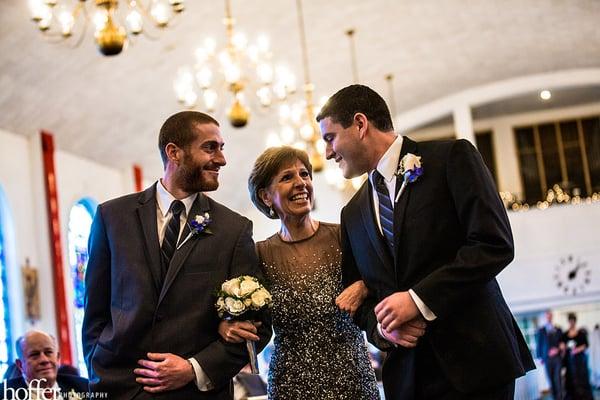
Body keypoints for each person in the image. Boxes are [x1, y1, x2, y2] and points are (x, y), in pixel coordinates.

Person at [316, 84, 536, 399]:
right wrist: (383, 330)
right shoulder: (352, 213)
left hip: (475, 360)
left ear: (360, 124)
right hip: (409, 377)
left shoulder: (450, 158)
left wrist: (419, 300)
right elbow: (359, 296)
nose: (326, 153)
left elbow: (493, 244)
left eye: (330, 137)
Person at [83, 111, 272, 400]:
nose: (221, 159)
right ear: (174, 152)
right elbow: (95, 311)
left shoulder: (233, 230)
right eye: (210, 147)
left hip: (194, 392)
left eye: (222, 148)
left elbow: (255, 327)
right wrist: (99, 368)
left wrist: (193, 368)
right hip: (119, 388)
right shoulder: (112, 217)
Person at [220, 146, 380, 399]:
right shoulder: (259, 255)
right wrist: (228, 326)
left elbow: (384, 278)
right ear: (265, 196)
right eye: (287, 177)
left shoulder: (343, 236)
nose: (301, 183)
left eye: (305, 175)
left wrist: (364, 285)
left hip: (352, 378)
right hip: (290, 383)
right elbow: (253, 322)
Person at [1, 330, 88, 399]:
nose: (44, 360)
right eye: (34, 354)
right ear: (20, 364)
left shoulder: (83, 388)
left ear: (57, 358)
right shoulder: (4, 394)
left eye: (48, 352)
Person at [561, 312, 593, 400]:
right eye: (570, 321)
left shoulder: (581, 333)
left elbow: (586, 345)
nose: (571, 323)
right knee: (571, 380)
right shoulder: (565, 335)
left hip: (580, 361)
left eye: (573, 321)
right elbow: (562, 346)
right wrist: (563, 347)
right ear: (568, 322)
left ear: (575, 322)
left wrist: (577, 350)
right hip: (569, 362)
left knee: (582, 379)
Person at [536, 310, 564, 400]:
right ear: (545, 317)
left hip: (557, 358)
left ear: (552, 317)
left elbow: (562, 344)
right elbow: (539, 344)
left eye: (550, 316)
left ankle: (560, 397)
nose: (549, 317)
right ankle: (554, 397)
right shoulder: (541, 330)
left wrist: (558, 349)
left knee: (558, 379)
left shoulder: (558, 329)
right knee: (551, 380)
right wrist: (540, 357)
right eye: (547, 316)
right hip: (547, 359)